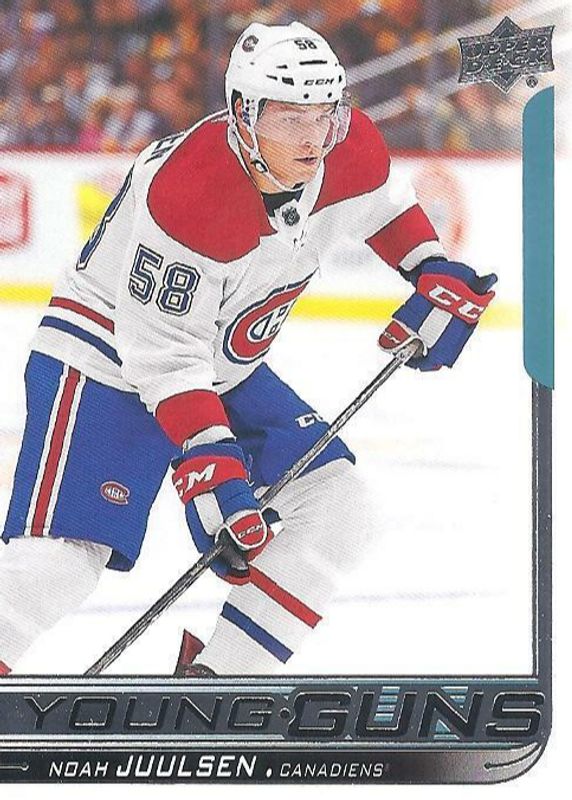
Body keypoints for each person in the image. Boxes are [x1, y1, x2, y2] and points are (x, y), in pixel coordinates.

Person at [0, 22, 496, 678]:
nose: (315, 137)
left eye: (325, 114)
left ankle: (219, 686)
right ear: (243, 113)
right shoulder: (190, 191)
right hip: (104, 360)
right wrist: (210, 460)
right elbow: (164, 354)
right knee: (61, 562)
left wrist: (429, 265)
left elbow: (381, 204)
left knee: (338, 507)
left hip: (220, 367)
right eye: (291, 118)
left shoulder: (346, 144)